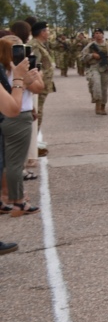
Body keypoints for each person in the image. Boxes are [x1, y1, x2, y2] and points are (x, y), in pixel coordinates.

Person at [0, 37, 45, 216]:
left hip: (6, 118)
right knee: (15, 163)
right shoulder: (16, 70)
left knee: (4, 161)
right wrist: (24, 79)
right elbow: (38, 87)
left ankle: (5, 199)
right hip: (17, 117)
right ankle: (18, 201)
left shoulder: (3, 69)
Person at [80, 28, 108, 115]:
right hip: (94, 68)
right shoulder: (90, 46)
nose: (98, 35)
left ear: (103, 35)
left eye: (100, 33)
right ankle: (98, 106)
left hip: (105, 69)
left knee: (104, 89)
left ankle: (103, 106)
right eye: (96, 33)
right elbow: (82, 57)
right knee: (97, 86)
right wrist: (92, 55)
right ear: (94, 35)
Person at [26, 20, 56, 129]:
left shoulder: (39, 45)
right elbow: (35, 67)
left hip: (42, 85)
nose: (48, 33)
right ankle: (33, 141)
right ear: (42, 32)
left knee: (39, 111)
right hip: (38, 86)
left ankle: (35, 139)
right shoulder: (35, 45)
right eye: (47, 31)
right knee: (37, 112)